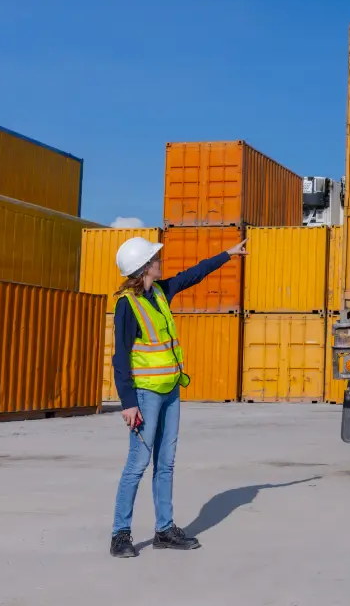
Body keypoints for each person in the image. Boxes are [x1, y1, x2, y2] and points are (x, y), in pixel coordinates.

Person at [108, 235, 248, 558]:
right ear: (144, 267)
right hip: (145, 396)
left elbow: (193, 274)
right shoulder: (127, 306)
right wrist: (128, 402)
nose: (160, 260)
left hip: (171, 391)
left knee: (166, 462)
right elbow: (120, 357)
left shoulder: (161, 292)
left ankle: (164, 530)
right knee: (138, 462)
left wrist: (227, 254)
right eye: (154, 258)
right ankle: (120, 534)